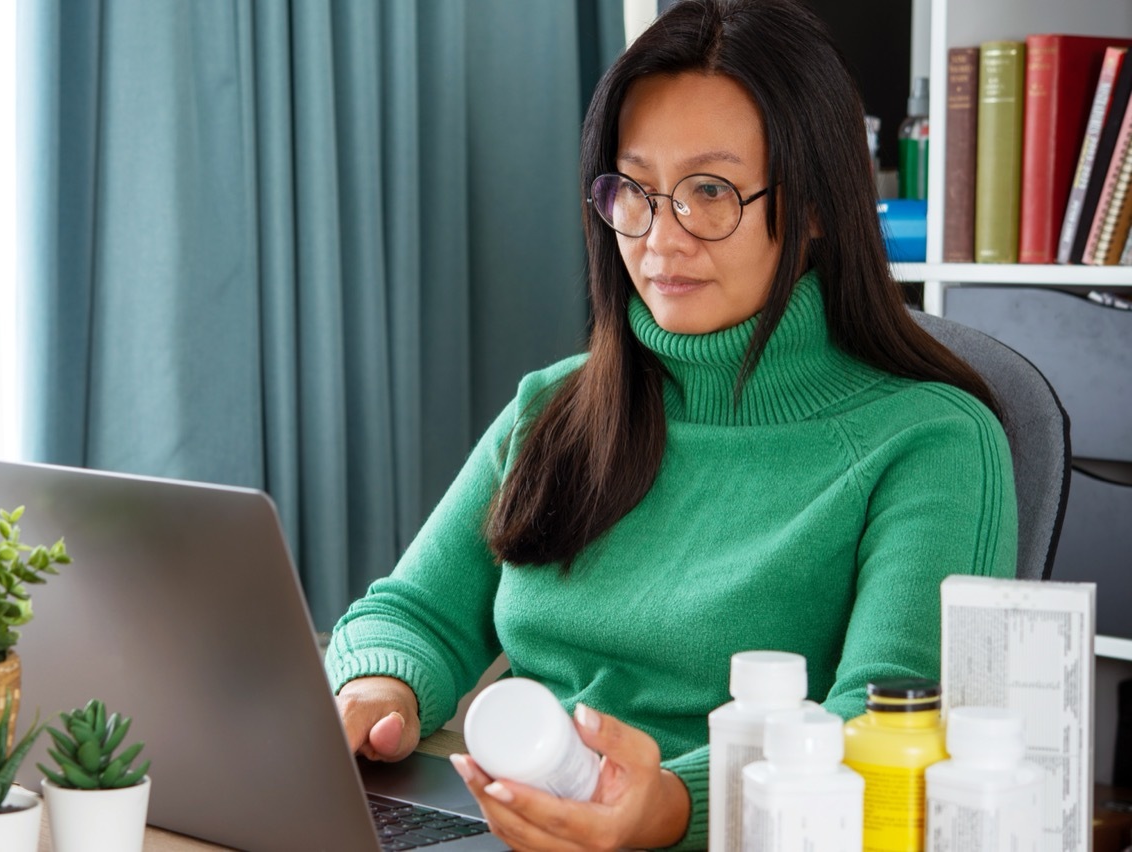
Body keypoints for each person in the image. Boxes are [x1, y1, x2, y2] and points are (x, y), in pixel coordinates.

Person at [328, 0, 1017, 848]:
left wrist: (676, 808)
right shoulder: (555, 406)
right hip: (515, 823)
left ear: (812, 207)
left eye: (710, 192)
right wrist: (379, 690)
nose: (659, 239)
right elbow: (415, 615)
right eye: (635, 191)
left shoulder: (933, 441)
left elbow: (886, 741)